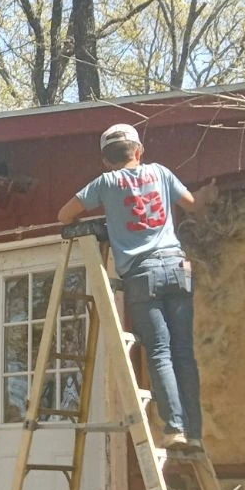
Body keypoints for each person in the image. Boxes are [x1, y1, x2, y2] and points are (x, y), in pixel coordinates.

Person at [58, 122, 216, 452]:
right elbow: (192, 203)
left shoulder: (105, 183)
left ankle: (175, 428)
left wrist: (103, 221)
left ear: (105, 160)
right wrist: (207, 195)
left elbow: (64, 214)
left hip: (142, 274)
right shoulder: (160, 172)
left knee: (159, 351)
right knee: (183, 353)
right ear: (139, 151)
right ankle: (195, 433)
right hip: (176, 266)